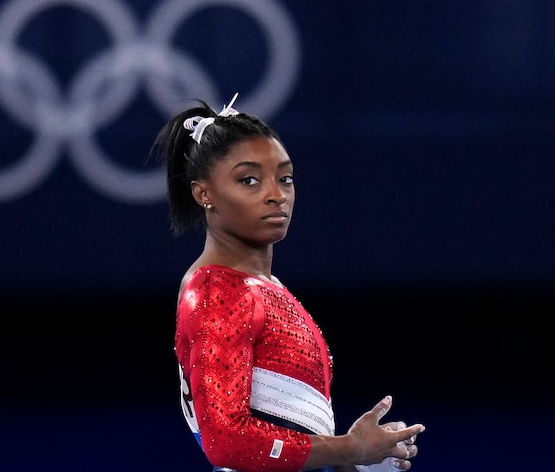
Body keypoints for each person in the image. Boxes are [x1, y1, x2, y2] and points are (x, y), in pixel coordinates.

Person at [151, 93, 425, 472]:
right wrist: (349, 449)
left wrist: (357, 461)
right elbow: (227, 442)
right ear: (204, 193)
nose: (275, 195)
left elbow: (281, 430)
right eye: (249, 180)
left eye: (285, 178)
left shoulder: (264, 287)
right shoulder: (218, 291)